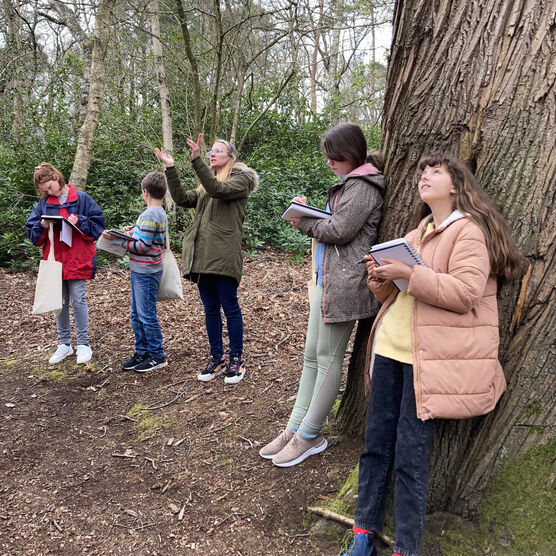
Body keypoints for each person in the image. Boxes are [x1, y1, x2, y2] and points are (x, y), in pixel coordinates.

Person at [338, 154, 522, 556]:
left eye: (435, 172)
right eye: (423, 172)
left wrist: (408, 274)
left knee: (409, 458)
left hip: (428, 365)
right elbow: (398, 296)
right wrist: (381, 279)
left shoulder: (468, 232)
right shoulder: (418, 232)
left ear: (456, 186)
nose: (425, 177)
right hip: (389, 351)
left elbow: (465, 294)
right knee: (374, 448)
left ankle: (406, 548)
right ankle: (363, 535)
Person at [259, 122, 386, 468]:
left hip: (347, 283)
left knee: (328, 358)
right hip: (329, 279)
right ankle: (294, 428)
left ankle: (310, 434)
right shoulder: (352, 184)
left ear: (350, 154)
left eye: (334, 157)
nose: (329, 162)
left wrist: (303, 222)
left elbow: (340, 230)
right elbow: (335, 223)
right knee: (312, 355)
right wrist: (309, 215)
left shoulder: (363, 185)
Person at [154, 134, 259, 384]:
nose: (212, 154)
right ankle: (217, 358)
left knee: (230, 307)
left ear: (231, 157)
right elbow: (181, 199)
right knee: (210, 309)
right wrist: (170, 167)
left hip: (223, 255)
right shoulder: (204, 188)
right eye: (210, 151)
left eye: (217, 151)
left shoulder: (240, 180)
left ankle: (237, 359)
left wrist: (197, 159)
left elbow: (218, 189)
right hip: (202, 256)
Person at [26, 163, 105, 365]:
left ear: (56, 177)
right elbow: (33, 235)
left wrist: (78, 221)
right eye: (44, 191)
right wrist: (42, 225)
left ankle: (83, 344)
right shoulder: (44, 204)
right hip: (56, 260)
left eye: (49, 187)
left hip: (77, 257)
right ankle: (64, 344)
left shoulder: (82, 199)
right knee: (58, 302)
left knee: (78, 299)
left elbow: (98, 227)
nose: (48, 193)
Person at [102, 172, 168, 373]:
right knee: (136, 314)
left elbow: (144, 246)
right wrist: (132, 232)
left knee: (146, 315)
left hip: (145, 271)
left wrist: (118, 240)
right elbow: (150, 238)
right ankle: (142, 352)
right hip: (143, 270)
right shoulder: (159, 212)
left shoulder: (149, 214)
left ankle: (157, 355)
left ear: (145, 192)